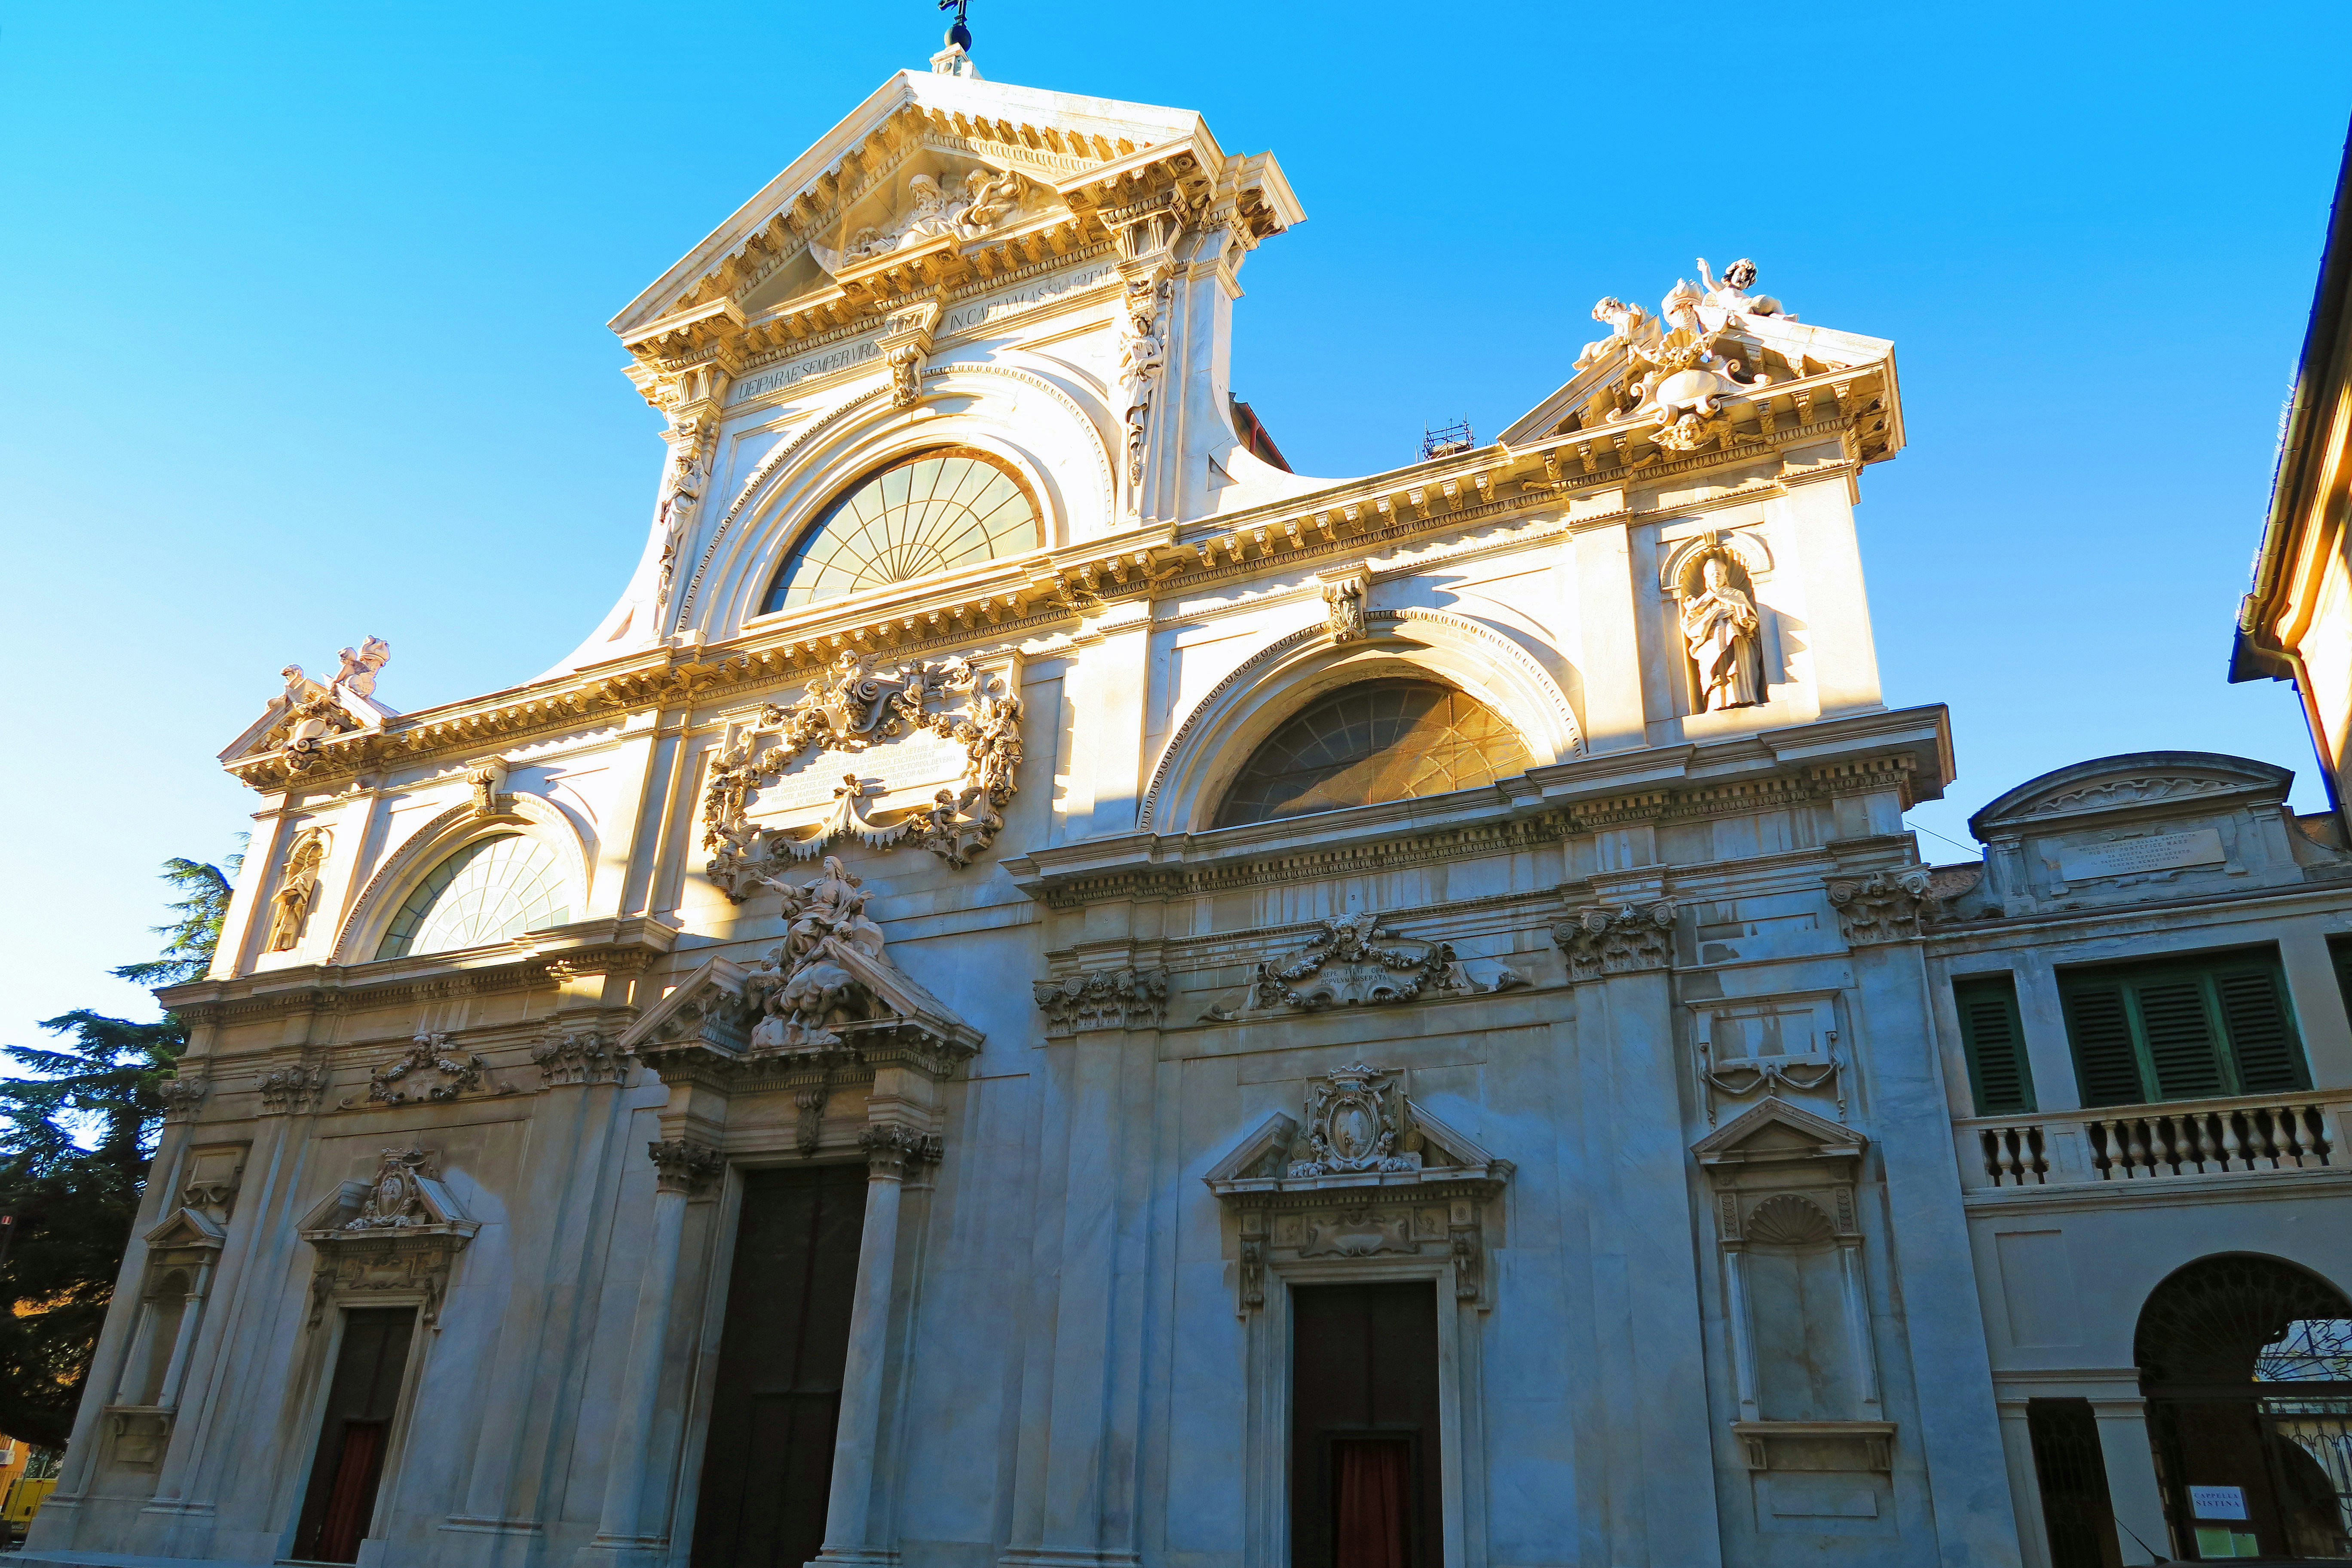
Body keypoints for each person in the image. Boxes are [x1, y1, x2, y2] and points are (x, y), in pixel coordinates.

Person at [1681, 555, 1761, 710]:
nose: (1716, 577)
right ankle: (1718, 701)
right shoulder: (1701, 602)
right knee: (1716, 670)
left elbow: (1752, 619)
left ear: (1725, 577)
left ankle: (1740, 696)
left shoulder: (1736, 595)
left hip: (1735, 641)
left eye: (1719, 574)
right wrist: (1697, 613)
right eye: (1713, 575)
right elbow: (1689, 625)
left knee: (1735, 667)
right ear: (1707, 580)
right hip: (1711, 642)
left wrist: (1744, 622)